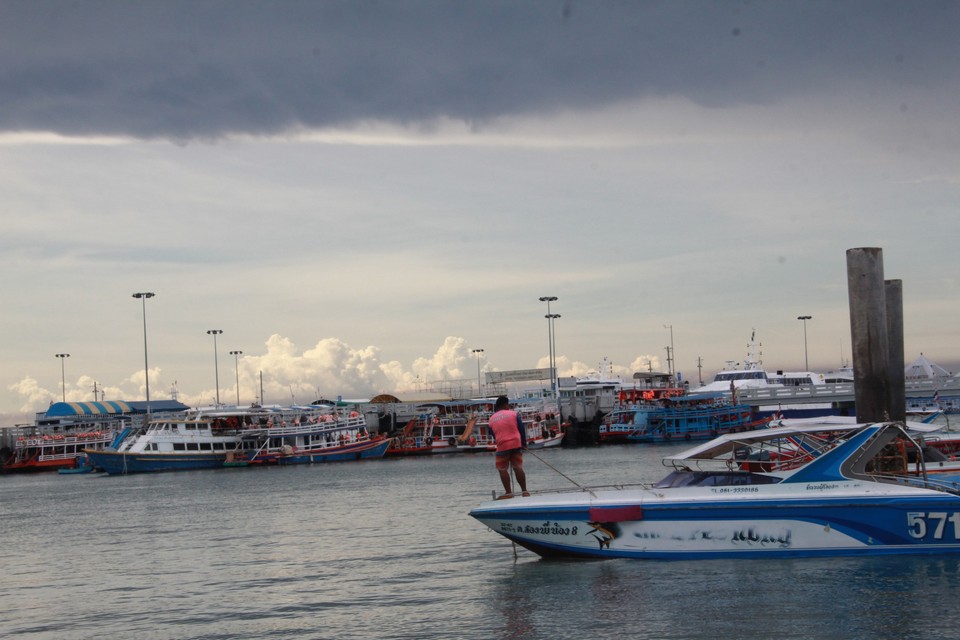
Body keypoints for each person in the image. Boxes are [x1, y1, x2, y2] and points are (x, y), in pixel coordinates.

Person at [488, 395, 528, 499]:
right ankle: (525, 491)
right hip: (516, 443)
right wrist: (523, 443)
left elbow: (493, 434)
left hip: (502, 445)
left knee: (502, 469)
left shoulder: (491, 419)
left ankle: (509, 493)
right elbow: (521, 428)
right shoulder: (514, 414)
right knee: (518, 467)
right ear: (505, 404)